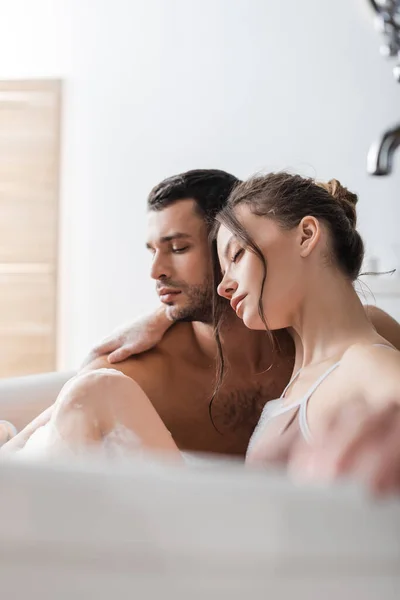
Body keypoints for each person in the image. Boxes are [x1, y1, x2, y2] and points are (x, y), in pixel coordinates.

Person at [3, 170, 400, 473]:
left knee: (97, 390)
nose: (156, 271)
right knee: (92, 390)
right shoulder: (307, 353)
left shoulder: (353, 349)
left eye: (178, 247)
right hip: (229, 536)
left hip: (255, 554)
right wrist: (164, 316)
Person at [214, 172, 400, 494]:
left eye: (237, 255)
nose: (223, 285)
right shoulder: (301, 379)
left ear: (306, 235)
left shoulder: (365, 363)